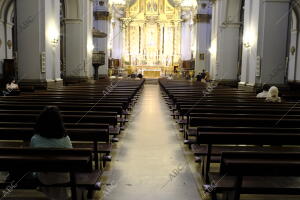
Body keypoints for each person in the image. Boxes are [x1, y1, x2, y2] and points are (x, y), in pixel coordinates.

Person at [31, 106, 72, 200]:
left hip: (43, 178)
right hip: (64, 178)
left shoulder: (35, 139)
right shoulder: (66, 139)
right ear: (59, 123)